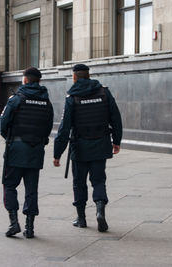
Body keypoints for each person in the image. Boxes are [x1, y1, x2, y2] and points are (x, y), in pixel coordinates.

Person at [53, 64, 122, 232]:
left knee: (79, 183)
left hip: (80, 146)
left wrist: (57, 153)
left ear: (74, 77)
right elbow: (116, 117)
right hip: (101, 143)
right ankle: (100, 210)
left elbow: (64, 128)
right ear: (89, 75)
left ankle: (81, 218)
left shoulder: (72, 97)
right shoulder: (104, 92)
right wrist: (117, 141)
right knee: (98, 180)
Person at [0, 67, 54, 238]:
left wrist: (11, 138)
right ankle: (29, 228)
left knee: (9, 185)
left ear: (25, 80)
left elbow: (3, 125)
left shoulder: (15, 100)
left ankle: (14, 222)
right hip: (35, 151)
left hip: (15, 149)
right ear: (39, 81)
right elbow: (48, 127)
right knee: (31, 189)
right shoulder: (46, 103)